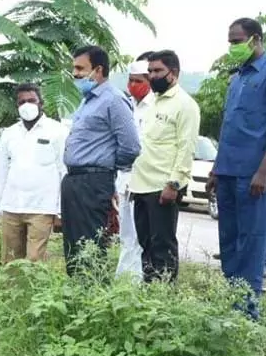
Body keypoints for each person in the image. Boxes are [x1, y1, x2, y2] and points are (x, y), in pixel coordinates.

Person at [205, 18, 266, 319]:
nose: (232, 46)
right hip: (228, 169)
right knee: (229, 238)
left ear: (255, 39)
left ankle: (247, 313)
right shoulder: (237, 77)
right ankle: (232, 303)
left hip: (253, 172)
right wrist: (216, 168)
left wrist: (264, 170)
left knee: (251, 240)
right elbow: (229, 125)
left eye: (237, 40)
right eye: (229, 41)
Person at [61, 45, 142, 274]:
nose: (75, 73)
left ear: (98, 70)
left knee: (90, 248)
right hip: (74, 181)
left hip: (93, 182)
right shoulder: (87, 100)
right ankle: (75, 300)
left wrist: (104, 166)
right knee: (73, 248)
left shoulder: (113, 100)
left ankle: (91, 300)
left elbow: (131, 146)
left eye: (80, 68)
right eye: (74, 68)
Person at [129, 49, 200, 283]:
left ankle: (163, 296)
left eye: (158, 70)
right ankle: (149, 291)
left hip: (162, 187)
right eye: (149, 71)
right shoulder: (152, 104)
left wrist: (174, 184)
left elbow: (185, 148)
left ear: (174, 73)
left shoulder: (185, 105)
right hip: (140, 185)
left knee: (163, 245)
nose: (152, 75)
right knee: (145, 244)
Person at [0, 83, 68, 263]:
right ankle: (10, 292)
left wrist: (60, 212)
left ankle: (33, 292)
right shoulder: (9, 134)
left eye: (31, 100)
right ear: (17, 107)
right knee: (10, 262)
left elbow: (64, 172)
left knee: (34, 262)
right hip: (12, 207)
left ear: (41, 103)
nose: (27, 105)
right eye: (22, 102)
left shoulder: (57, 131)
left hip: (42, 208)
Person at [116, 52, 155, 280]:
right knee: (126, 233)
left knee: (145, 234)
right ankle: (125, 278)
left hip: (146, 179)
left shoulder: (155, 106)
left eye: (139, 81)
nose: (133, 86)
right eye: (130, 81)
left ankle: (142, 278)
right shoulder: (126, 105)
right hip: (125, 179)